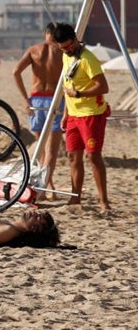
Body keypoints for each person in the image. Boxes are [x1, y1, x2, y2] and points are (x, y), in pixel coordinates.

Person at [53, 22, 112, 211]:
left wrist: (79, 94)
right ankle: (75, 198)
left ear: (75, 39)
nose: (66, 50)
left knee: (93, 157)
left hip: (91, 115)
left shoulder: (88, 59)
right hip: (73, 116)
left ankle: (103, 201)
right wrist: (65, 114)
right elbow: (67, 85)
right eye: (62, 48)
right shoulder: (65, 56)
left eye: (68, 46)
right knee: (73, 157)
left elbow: (103, 87)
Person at [12, 22, 64, 196]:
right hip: (55, 100)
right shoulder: (62, 50)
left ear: (46, 33)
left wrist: (25, 99)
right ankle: (45, 187)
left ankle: (47, 185)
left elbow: (15, 71)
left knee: (41, 148)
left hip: (36, 100)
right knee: (51, 151)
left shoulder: (34, 49)